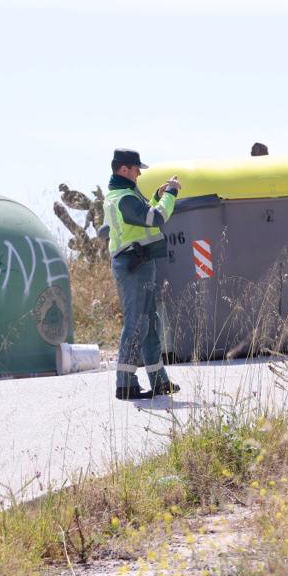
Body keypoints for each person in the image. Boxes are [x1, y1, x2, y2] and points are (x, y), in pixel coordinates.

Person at [101, 148, 182, 400]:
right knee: (137, 324)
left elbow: (143, 213)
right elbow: (157, 217)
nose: (138, 174)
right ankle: (125, 384)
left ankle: (159, 381)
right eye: (136, 169)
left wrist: (156, 196)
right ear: (123, 169)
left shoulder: (125, 195)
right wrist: (170, 194)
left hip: (140, 263)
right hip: (133, 266)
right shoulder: (124, 198)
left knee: (150, 324)